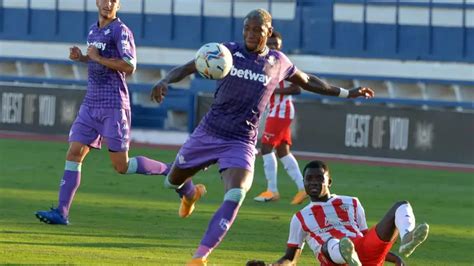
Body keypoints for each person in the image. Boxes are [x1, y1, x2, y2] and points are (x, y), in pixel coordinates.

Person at [150, 9, 374, 266]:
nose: (251, 34)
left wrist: (348, 93)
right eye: (247, 29)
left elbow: (309, 81)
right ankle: (189, 194)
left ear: (269, 32)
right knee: (172, 181)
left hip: (241, 141)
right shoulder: (226, 52)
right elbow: (191, 65)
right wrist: (165, 80)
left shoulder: (278, 61)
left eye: (257, 30)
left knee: (236, 194)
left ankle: (200, 257)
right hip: (208, 132)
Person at [35, 0, 169, 225]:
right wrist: (83, 57)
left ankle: (169, 170)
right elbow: (98, 57)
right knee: (74, 152)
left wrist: (96, 58)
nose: (108, 4)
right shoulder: (93, 28)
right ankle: (61, 212)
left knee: (121, 166)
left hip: (114, 105)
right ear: (96, 2)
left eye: (114, 1)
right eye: (104, 0)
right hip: (91, 103)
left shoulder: (120, 30)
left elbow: (129, 65)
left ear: (119, 5)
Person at [249, 160, 429, 266]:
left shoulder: (352, 202)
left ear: (329, 181)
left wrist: (394, 257)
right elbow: (291, 258)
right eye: (309, 179)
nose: (313, 182)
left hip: (362, 250)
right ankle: (346, 255)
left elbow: (366, 238)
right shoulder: (300, 217)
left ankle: (407, 239)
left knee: (401, 206)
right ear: (303, 183)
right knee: (331, 242)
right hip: (332, 259)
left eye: (319, 178)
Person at [254, 31, 306, 205]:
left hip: (281, 112)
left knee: (266, 149)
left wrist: (273, 91)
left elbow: (297, 89)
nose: (274, 47)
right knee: (283, 152)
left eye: (277, 44)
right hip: (276, 111)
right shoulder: (264, 63)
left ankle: (272, 190)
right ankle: (302, 187)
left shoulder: (284, 64)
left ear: (280, 46)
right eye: (271, 43)